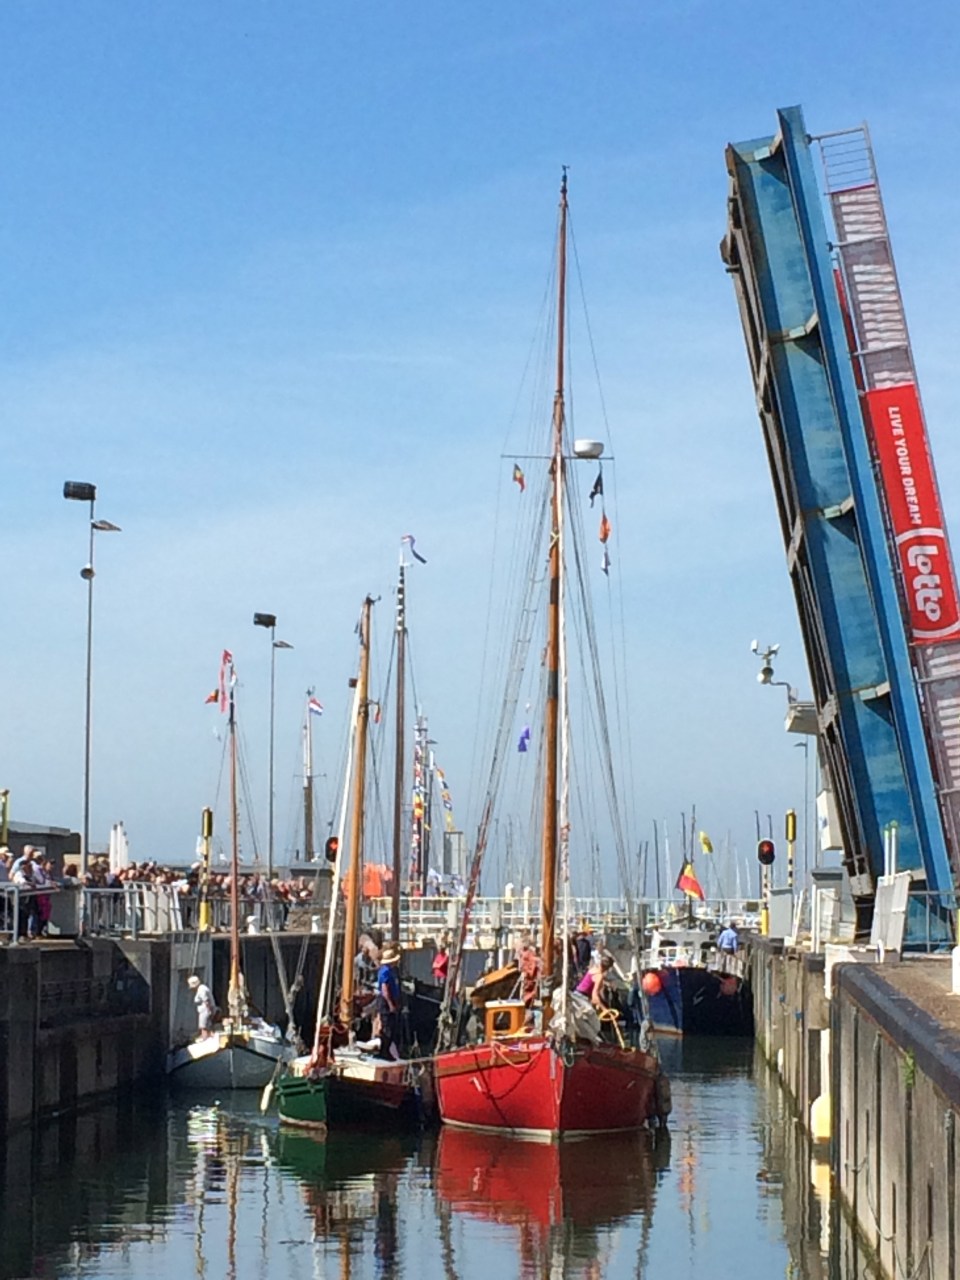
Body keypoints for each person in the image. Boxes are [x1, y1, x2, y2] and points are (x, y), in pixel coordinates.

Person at [376, 944, 403, 1061]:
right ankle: (384, 1052)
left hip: (391, 1000)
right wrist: (391, 1005)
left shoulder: (390, 971)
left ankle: (385, 1051)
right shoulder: (385, 972)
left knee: (391, 1027)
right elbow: (385, 989)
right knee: (387, 1028)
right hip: (386, 1002)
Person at [187, 974, 217, 1040]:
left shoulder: (201, 990)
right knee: (207, 1027)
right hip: (204, 1010)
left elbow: (206, 1001)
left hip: (205, 1011)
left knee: (204, 1027)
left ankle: (205, 1040)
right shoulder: (201, 988)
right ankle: (209, 1039)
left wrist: (209, 1011)